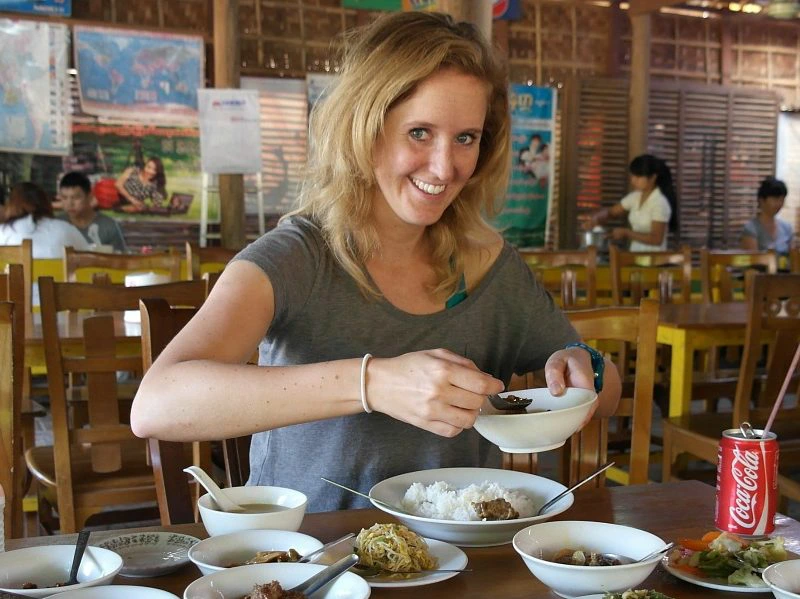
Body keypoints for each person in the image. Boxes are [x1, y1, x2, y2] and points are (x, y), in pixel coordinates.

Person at [130, 11, 621, 513]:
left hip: (463, 560)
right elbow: (157, 405)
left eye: (466, 138)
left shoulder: (491, 264)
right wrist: (373, 383)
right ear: (366, 128)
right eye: (420, 132)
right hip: (315, 563)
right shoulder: (298, 256)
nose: (444, 166)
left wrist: (587, 371)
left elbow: (603, 391)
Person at [586, 154, 677, 252]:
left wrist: (627, 233)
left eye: (638, 177)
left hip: (655, 261)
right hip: (635, 257)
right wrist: (597, 218)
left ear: (653, 177)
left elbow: (656, 239)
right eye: (632, 176)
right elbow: (611, 213)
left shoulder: (660, 202)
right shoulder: (635, 197)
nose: (633, 181)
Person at [0, 182, 89, 258]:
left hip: (17, 278)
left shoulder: (3, 232)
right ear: (46, 202)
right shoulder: (66, 228)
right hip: (60, 278)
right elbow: (89, 256)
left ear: (11, 205)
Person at [58, 172, 128, 253]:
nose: (69, 203)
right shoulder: (57, 225)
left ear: (90, 197)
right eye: (64, 198)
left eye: (76, 198)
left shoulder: (109, 226)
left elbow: (120, 260)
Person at [741, 177, 793, 255]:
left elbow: (792, 258)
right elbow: (752, 261)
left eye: (782, 200)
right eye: (775, 199)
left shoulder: (787, 228)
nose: (779, 204)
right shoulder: (751, 228)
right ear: (762, 200)